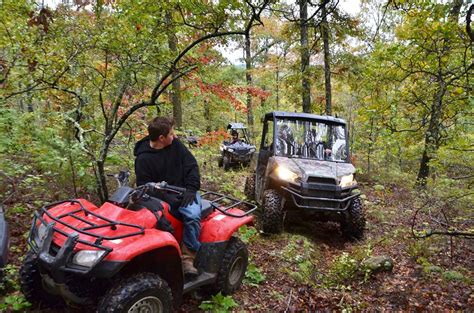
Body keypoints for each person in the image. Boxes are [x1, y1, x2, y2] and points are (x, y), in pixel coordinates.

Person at [134, 116, 201, 276]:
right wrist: (166, 198)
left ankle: (187, 258)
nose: (175, 136)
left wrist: (191, 189)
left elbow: (192, 166)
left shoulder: (176, 145)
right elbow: (144, 186)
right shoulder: (143, 159)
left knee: (192, 216)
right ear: (161, 138)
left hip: (185, 192)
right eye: (171, 133)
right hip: (159, 197)